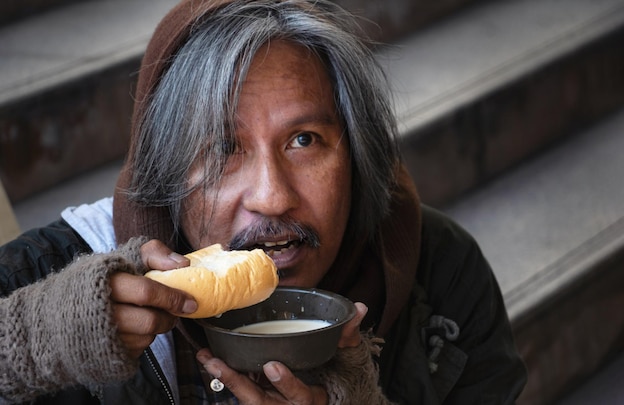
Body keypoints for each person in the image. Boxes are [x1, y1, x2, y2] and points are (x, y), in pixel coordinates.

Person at [0, 0, 527, 403]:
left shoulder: (441, 275)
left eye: (304, 140)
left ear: (359, 158)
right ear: (163, 172)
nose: (272, 198)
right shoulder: (60, 269)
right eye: (224, 147)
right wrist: (41, 336)